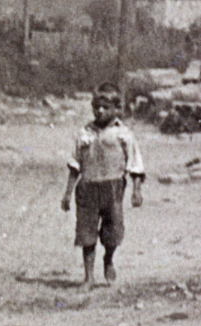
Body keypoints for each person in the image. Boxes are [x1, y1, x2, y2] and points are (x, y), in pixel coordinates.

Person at [61, 82, 144, 289]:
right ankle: (88, 277)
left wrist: (136, 190)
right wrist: (67, 193)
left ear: (116, 109)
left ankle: (108, 259)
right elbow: (75, 164)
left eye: (105, 107)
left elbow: (135, 164)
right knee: (86, 233)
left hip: (113, 189)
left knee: (113, 232)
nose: (100, 111)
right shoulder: (85, 133)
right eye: (96, 106)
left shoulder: (123, 134)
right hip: (87, 188)